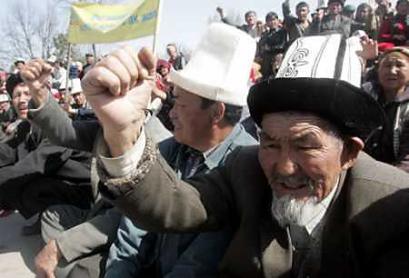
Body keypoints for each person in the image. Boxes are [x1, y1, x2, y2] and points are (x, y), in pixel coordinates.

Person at [71, 30, 409, 277]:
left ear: (349, 151)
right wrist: (124, 132)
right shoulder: (247, 169)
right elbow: (174, 205)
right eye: (271, 143)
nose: (285, 167)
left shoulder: (391, 207)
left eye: (306, 145)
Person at [106, 23, 257, 277]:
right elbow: (131, 238)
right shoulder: (167, 150)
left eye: (182, 105)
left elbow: (198, 265)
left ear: (216, 112)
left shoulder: (246, 169)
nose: (172, 113)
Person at [0, 73, 93, 235]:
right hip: (57, 183)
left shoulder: (56, 126)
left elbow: (35, 165)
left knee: (31, 184)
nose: (22, 100)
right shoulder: (23, 128)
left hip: (84, 191)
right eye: (16, 95)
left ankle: (74, 221)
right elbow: (5, 154)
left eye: (27, 93)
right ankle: (45, 218)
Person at [362, 47, 409, 172]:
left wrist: (389, 179)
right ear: (378, 71)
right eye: (387, 65)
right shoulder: (365, 96)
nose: (392, 71)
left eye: (399, 65)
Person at [256, 12, 287, 79]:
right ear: (266, 22)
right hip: (266, 60)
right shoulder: (265, 34)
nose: (272, 22)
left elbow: (282, 45)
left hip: (278, 57)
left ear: (277, 21)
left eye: (274, 20)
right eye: (269, 20)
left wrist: (269, 48)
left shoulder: (282, 32)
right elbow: (261, 45)